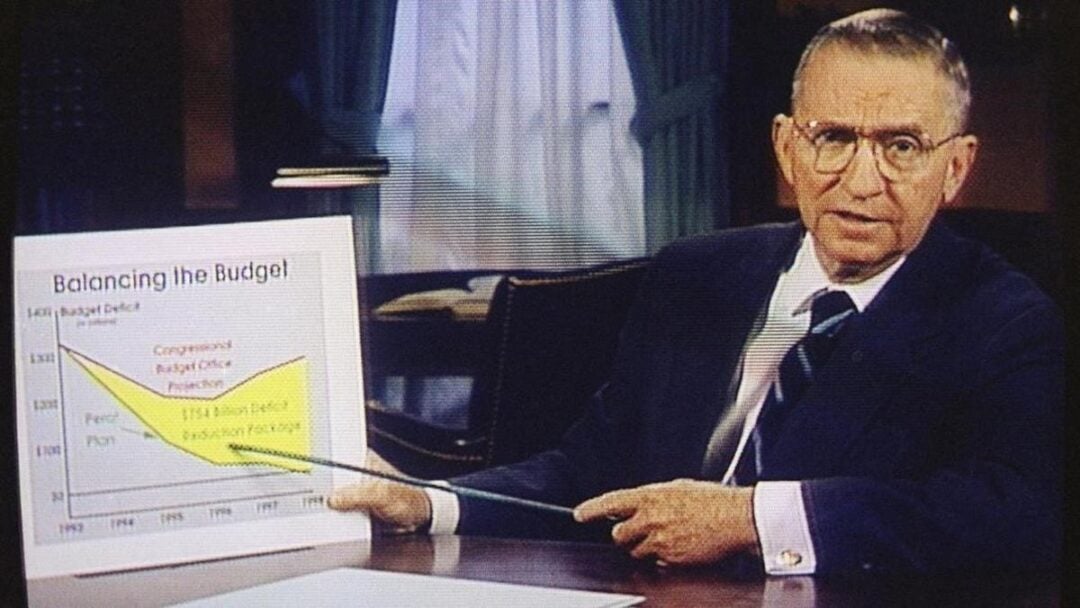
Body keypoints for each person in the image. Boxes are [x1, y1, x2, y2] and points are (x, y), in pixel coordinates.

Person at [331, 8, 1062, 576]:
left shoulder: (1004, 320)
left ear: (956, 168)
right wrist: (430, 503)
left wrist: (750, 520)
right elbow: (592, 472)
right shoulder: (696, 275)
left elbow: (1017, 515)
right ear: (787, 148)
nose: (863, 179)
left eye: (901, 146)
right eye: (833, 137)